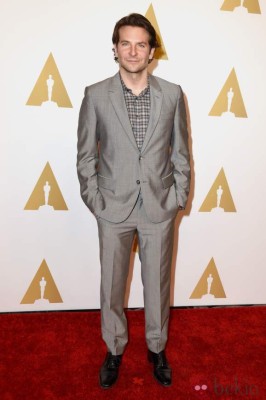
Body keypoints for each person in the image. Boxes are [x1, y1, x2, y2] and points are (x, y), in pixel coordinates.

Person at [77, 13, 190, 389]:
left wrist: (179, 196)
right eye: (125, 43)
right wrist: (96, 200)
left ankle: (156, 347)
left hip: (159, 206)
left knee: (158, 283)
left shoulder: (172, 93)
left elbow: (181, 153)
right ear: (115, 48)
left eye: (141, 44)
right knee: (112, 284)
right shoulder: (95, 95)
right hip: (113, 207)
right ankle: (113, 348)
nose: (133, 51)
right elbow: (85, 156)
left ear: (151, 51)